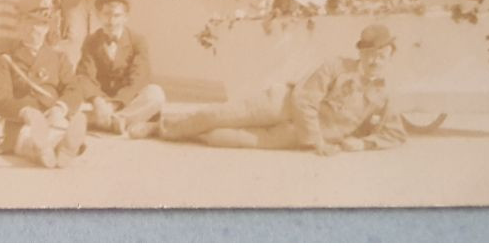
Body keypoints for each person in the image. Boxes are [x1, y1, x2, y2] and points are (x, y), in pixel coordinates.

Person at [160, 24, 407, 154]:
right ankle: (161, 127)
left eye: (381, 55)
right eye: (369, 54)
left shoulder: (385, 94)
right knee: (219, 115)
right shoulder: (337, 65)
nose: (375, 61)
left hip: (298, 134)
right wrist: (317, 141)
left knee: (229, 138)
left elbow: (396, 134)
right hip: (281, 105)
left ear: (391, 55)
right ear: (360, 54)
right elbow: (304, 99)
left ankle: (183, 131)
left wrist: (364, 144)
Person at [0, 0, 89, 168]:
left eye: (40, 24)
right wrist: (25, 111)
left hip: (53, 114)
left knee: (58, 126)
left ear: (47, 28)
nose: (34, 30)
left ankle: (59, 147)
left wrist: (60, 108)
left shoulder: (59, 57)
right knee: (28, 136)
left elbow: (74, 88)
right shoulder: (4, 60)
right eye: (28, 23)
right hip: (22, 122)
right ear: (18, 26)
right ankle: (52, 149)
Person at [74, 0, 165, 138]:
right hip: (101, 100)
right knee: (71, 96)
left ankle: (116, 119)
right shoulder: (91, 40)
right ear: (99, 15)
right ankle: (120, 122)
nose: (111, 21)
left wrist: (114, 104)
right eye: (107, 15)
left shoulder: (138, 40)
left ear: (125, 18)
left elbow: (139, 78)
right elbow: (85, 75)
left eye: (117, 16)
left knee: (156, 94)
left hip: (128, 100)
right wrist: (98, 101)